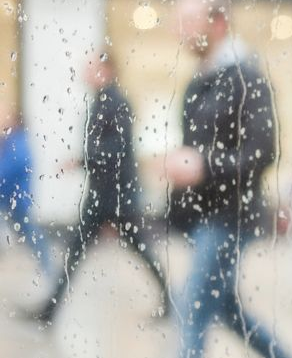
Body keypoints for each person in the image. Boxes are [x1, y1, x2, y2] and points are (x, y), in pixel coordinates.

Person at [125, 0, 292, 358]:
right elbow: (202, 149)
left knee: (192, 313)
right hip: (205, 217)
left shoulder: (246, 75)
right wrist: (181, 170)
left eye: (186, 19)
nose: (178, 28)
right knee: (229, 312)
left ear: (216, 23)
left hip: (230, 219)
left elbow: (264, 151)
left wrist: (203, 165)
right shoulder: (203, 77)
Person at [30, 48, 170, 325]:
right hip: (102, 193)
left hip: (116, 194)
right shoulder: (102, 101)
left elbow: (117, 149)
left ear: (107, 71)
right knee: (77, 250)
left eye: (91, 67)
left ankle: (169, 299)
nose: (86, 73)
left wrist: (82, 159)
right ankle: (49, 311)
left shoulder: (117, 102)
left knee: (137, 248)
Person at [0, 112, 54, 277]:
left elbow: (6, 170)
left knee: (31, 234)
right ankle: (49, 268)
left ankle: (49, 270)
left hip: (19, 200)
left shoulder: (19, 143)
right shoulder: (12, 142)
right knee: (29, 233)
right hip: (9, 198)